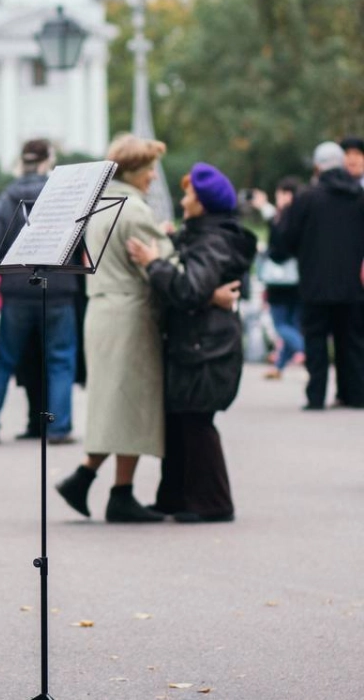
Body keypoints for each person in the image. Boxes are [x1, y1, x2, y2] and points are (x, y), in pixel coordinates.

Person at [127, 162, 256, 523]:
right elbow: (200, 285)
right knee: (180, 420)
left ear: (202, 202)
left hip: (206, 347)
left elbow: (189, 289)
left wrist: (154, 263)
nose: (184, 201)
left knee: (196, 422)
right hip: (201, 343)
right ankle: (175, 497)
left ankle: (213, 503)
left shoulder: (212, 240)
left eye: (188, 194)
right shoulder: (206, 234)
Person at [55, 135, 174, 523]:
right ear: (135, 171)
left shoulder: (100, 205)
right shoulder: (135, 210)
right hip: (131, 311)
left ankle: (86, 477)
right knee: (133, 404)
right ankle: (120, 492)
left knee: (111, 402)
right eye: (150, 169)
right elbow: (162, 263)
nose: (154, 178)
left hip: (101, 308)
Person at [0, 138, 81, 445]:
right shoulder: (65, 195)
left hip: (17, 288)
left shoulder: (8, 197)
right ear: (48, 160)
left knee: (4, 359)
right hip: (59, 288)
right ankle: (58, 427)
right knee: (60, 359)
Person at [269, 141, 364, 409]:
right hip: (354, 286)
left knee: (316, 340)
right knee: (352, 341)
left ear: (317, 166)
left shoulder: (308, 198)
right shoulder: (359, 196)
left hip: (315, 283)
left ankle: (316, 396)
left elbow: (285, 240)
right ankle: (354, 393)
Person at [250, 179, 305, 379]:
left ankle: (305, 350)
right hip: (297, 280)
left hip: (282, 281)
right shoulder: (299, 219)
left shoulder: (286, 220)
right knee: (291, 324)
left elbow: (280, 247)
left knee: (282, 325)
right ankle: (280, 366)